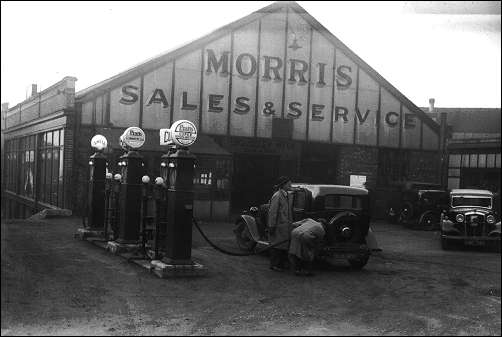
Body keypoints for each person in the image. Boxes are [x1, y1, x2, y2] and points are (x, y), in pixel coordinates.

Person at [267, 176, 293, 272]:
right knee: (276, 246)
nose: (290, 185)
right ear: (283, 185)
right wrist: (272, 226)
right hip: (278, 226)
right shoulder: (277, 196)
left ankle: (281, 264)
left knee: (283, 246)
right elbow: (273, 213)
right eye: (288, 183)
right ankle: (274, 265)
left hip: (285, 226)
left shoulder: (287, 195)